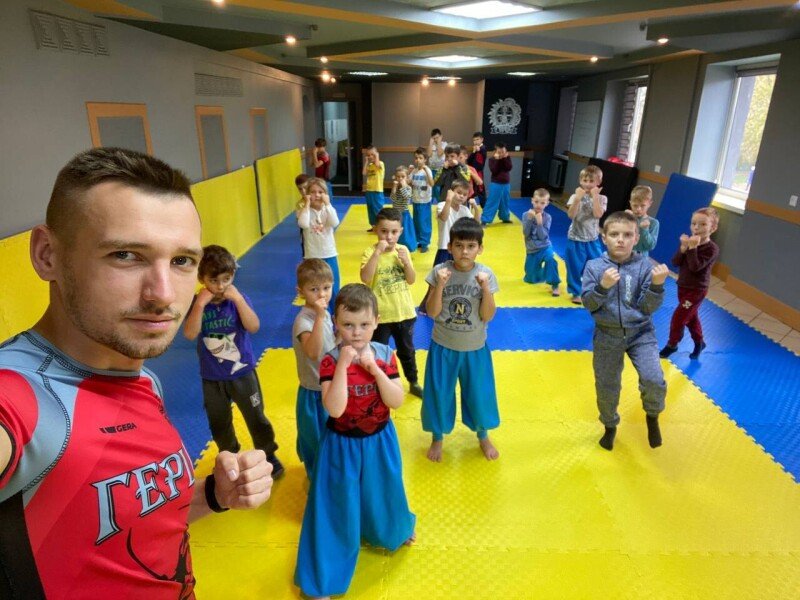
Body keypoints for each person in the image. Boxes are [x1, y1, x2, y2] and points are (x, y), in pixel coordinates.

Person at [0, 147, 272, 599]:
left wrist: (212, 495)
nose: (162, 294)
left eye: (182, 261)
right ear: (48, 255)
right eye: (125, 254)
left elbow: (127, 524)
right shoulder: (20, 399)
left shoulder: (143, 380)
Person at [294, 284, 416, 599]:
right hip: (341, 445)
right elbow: (334, 408)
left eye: (364, 324)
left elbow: (396, 400)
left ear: (376, 322)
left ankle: (394, 530)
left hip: (379, 440)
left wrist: (374, 369)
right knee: (335, 505)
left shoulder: (385, 355)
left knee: (385, 489)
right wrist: (344, 367)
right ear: (336, 323)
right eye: (348, 325)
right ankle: (323, 578)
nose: (356, 332)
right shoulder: (330, 361)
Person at [183, 245, 284, 478]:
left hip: (242, 373)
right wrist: (199, 304)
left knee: (256, 416)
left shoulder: (237, 300)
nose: (220, 287)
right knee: (219, 421)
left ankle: (268, 453)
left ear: (233, 276)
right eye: (214, 280)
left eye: (226, 279)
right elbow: (189, 333)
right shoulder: (197, 304)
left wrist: (238, 299)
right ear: (201, 278)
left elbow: (254, 326)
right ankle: (229, 456)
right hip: (212, 377)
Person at [581, 211, 669, 451]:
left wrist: (657, 286)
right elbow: (588, 303)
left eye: (627, 235)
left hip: (641, 333)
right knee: (607, 384)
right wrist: (603, 287)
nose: (621, 240)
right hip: (607, 334)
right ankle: (609, 426)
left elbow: (647, 307)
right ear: (604, 237)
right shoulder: (594, 267)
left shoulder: (644, 266)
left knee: (653, 379)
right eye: (614, 234)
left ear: (636, 238)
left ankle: (652, 415)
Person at [422, 217, 500, 462]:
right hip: (443, 347)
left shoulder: (486, 274)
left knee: (479, 395)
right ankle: (437, 437)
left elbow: (488, 315)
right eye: (459, 246)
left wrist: (485, 288)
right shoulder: (439, 272)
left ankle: (483, 435)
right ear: (450, 247)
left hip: (475, 348)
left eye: (470, 246)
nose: (464, 251)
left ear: (480, 248)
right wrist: (440, 285)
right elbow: (431, 312)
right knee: (439, 394)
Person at [361, 208, 423, 398]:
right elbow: (365, 278)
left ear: (400, 232)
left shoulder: (402, 250)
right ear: (375, 230)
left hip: (404, 313)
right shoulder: (370, 252)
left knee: (407, 351)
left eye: (394, 232)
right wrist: (377, 254)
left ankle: (413, 381)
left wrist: (406, 263)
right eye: (384, 231)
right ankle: (380, 382)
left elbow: (411, 280)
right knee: (378, 352)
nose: (389, 237)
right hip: (380, 316)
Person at [292, 259, 336, 477]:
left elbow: (330, 345)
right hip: (313, 392)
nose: (322, 295)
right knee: (314, 438)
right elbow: (313, 352)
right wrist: (319, 317)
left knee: (333, 435)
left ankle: (330, 470)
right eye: (314, 289)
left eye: (326, 288)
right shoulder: (304, 321)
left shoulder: (325, 313)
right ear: (301, 292)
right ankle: (315, 476)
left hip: (330, 386)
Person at [660, 207, 720, 360]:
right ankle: (699, 342)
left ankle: (672, 344)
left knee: (679, 317)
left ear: (713, 228)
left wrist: (692, 248)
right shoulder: (689, 243)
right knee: (691, 318)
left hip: (696, 290)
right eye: (693, 223)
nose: (696, 228)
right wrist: (683, 248)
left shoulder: (712, 249)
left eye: (703, 224)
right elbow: (675, 262)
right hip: (683, 286)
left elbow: (695, 267)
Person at [418, 180, 482, 314]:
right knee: (437, 279)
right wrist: (448, 200)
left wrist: (475, 208)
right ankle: (425, 307)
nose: (461, 196)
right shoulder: (442, 205)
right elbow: (443, 217)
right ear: (451, 192)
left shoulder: (465, 210)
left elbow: (476, 224)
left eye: (465, 194)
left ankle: (449, 304)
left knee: (457, 278)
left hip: (459, 250)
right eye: (458, 193)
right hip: (444, 249)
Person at [566, 165, 607, 304]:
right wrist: (577, 199)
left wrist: (595, 197)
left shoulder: (602, 198)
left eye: (591, 181)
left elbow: (598, 214)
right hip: (575, 238)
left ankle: (592, 290)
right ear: (580, 181)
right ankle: (575, 292)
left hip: (592, 240)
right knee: (574, 267)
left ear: (598, 182)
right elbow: (571, 215)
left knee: (596, 266)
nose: (588, 184)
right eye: (585, 180)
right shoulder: (574, 196)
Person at [296, 177, 341, 305]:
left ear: (326, 194)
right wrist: (307, 205)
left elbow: (335, 222)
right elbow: (303, 224)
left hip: (329, 253)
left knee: (333, 287)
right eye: (313, 192)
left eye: (320, 192)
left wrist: (328, 204)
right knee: (314, 289)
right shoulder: (303, 210)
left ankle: (334, 313)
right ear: (307, 194)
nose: (317, 195)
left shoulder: (328, 209)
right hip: (312, 255)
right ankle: (316, 314)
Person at [523, 188, 561, 296]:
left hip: (545, 247)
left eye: (542, 203)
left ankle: (555, 284)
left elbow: (543, 237)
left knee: (551, 260)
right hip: (532, 249)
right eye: (536, 202)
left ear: (547, 203)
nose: (539, 205)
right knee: (530, 279)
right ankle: (543, 272)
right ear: (532, 200)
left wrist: (540, 223)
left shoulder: (547, 217)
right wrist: (530, 219)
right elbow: (526, 233)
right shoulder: (526, 215)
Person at [409, 146, 434, 253]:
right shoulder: (414, 171)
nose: (418, 160)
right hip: (415, 200)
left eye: (420, 158)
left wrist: (426, 171)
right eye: (416, 158)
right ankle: (419, 240)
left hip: (424, 201)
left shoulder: (427, 170)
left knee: (424, 222)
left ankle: (425, 243)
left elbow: (432, 183)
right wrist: (408, 172)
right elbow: (409, 182)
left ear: (425, 159)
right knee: (417, 222)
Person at [482, 142, 513, 225]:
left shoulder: (507, 158)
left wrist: (505, 158)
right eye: (499, 152)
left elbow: (509, 168)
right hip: (496, 184)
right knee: (492, 201)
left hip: (506, 184)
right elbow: (494, 170)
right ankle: (485, 219)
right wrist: (498, 160)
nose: (501, 154)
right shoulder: (492, 160)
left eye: (503, 152)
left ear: (506, 152)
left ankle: (505, 218)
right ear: (495, 152)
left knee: (505, 201)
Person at [389, 165, 418, 252]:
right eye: (398, 177)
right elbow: (392, 199)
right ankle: (395, 246)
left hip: (404, 214)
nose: (400, 179)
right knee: (395, 231)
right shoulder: (396, 188)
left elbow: (407, 197)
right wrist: (394, 188)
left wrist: (403, 186)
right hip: (395, 214)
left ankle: (407, 247)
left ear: (407, 178)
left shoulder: (408, 188)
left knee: (405, 233)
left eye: (403, 176)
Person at [627, 185, 660, 257]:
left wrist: (644, 229)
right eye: (635, 205)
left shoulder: (653, 223)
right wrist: (624, 220)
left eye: (642, 206)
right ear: (630, 203)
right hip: (624, 256)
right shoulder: (627, 217)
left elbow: (650, 246)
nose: (638, 209)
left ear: (649, 204)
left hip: (641, 259)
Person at [362, 145, 386, 229]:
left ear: (376, 154)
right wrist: (366, 162)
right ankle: (374, 226)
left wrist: (377, 156)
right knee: (370, 209)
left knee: (377, 209)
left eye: (372, 154)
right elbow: (364, 173)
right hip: (369, 191)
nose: (370, 156)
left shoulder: (380, 163)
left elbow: (377, 164)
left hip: (377, 191)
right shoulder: (370, 165)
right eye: (368, 155)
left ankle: (381, 226)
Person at [467, 131, 487, 207]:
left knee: (480, 189)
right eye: (474, 140)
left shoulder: (483, 148)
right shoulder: (475, 149)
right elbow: (469, 161)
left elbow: (480, 162)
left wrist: (479, 150)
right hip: (472, 172)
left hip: (478, 173)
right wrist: (474, 152)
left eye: (477, 139)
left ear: (482, 139)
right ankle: (470, 207)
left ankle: (484, 207)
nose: (475, 141)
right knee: (471, 189)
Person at [427, 128, 446, 200]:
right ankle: (430, 203)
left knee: (438, 189)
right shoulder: (431, 145)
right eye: (434, 138)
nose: (435, 139)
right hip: (431, 169)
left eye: (437, 137)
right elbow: (429, 154)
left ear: (441, 136)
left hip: (440, 170)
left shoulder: (444, 144)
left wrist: (439, 142)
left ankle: (440, 203)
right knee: (431, 188)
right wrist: (430, 143)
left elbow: (439, 153)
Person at [294, 173, 310, 257]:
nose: (303, 191)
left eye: (305, 187)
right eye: (300, 189)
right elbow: (300, 223)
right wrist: (306, 204)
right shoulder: (300, 204)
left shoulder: (318, 200)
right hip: (306, 236)